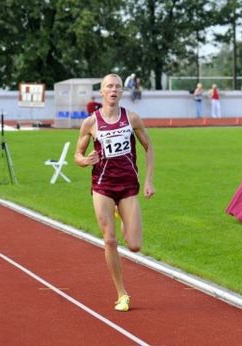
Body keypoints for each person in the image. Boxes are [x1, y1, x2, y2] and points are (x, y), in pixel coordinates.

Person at [74, 73, 155, 312]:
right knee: (109, 240)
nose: (113, 90)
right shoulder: (91, 122)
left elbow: (149, 147)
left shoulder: (132, 118)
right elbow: (77, 155)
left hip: (128, 186)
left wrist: (149, 180)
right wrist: (84, 160)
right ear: (101, 92)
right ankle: (122, 294)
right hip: (103, 185)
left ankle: (122, 216)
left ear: (121, 91)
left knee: (134, 245)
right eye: (109, 86)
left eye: (117, 87)